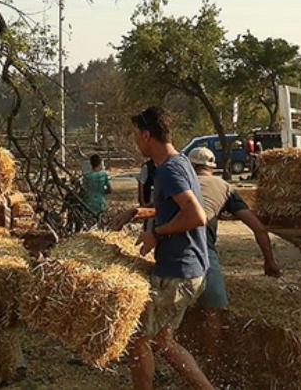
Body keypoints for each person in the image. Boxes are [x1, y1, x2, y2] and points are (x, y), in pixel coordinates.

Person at [119, 106, 214, 390]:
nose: (135, 141)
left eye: (136, 135)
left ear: (147, 135)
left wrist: (156, 234)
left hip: (178, 272)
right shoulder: (179, 162)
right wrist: (138, 212)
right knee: (163, 342)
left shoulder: (169, 170)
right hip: (189, 268)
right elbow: (172, 209)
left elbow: (196, 216)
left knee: (137, 337)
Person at [188, 147, 281, 361]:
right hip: (203, 253)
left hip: (171, 251)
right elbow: (258, 228)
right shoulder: (224, 187)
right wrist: (270, 263)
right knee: (214, 311)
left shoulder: (179, 183)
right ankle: (211, 367)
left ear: (190, 166)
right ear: (212, 167)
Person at [82, 154, 112, 218]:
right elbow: (110, 190)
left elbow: (84, 189)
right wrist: (102, 192)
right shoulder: (104, 175)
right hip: (101, 202)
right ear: (100, 163)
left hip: (89, 202)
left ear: (90, 163)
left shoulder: (86, 176)